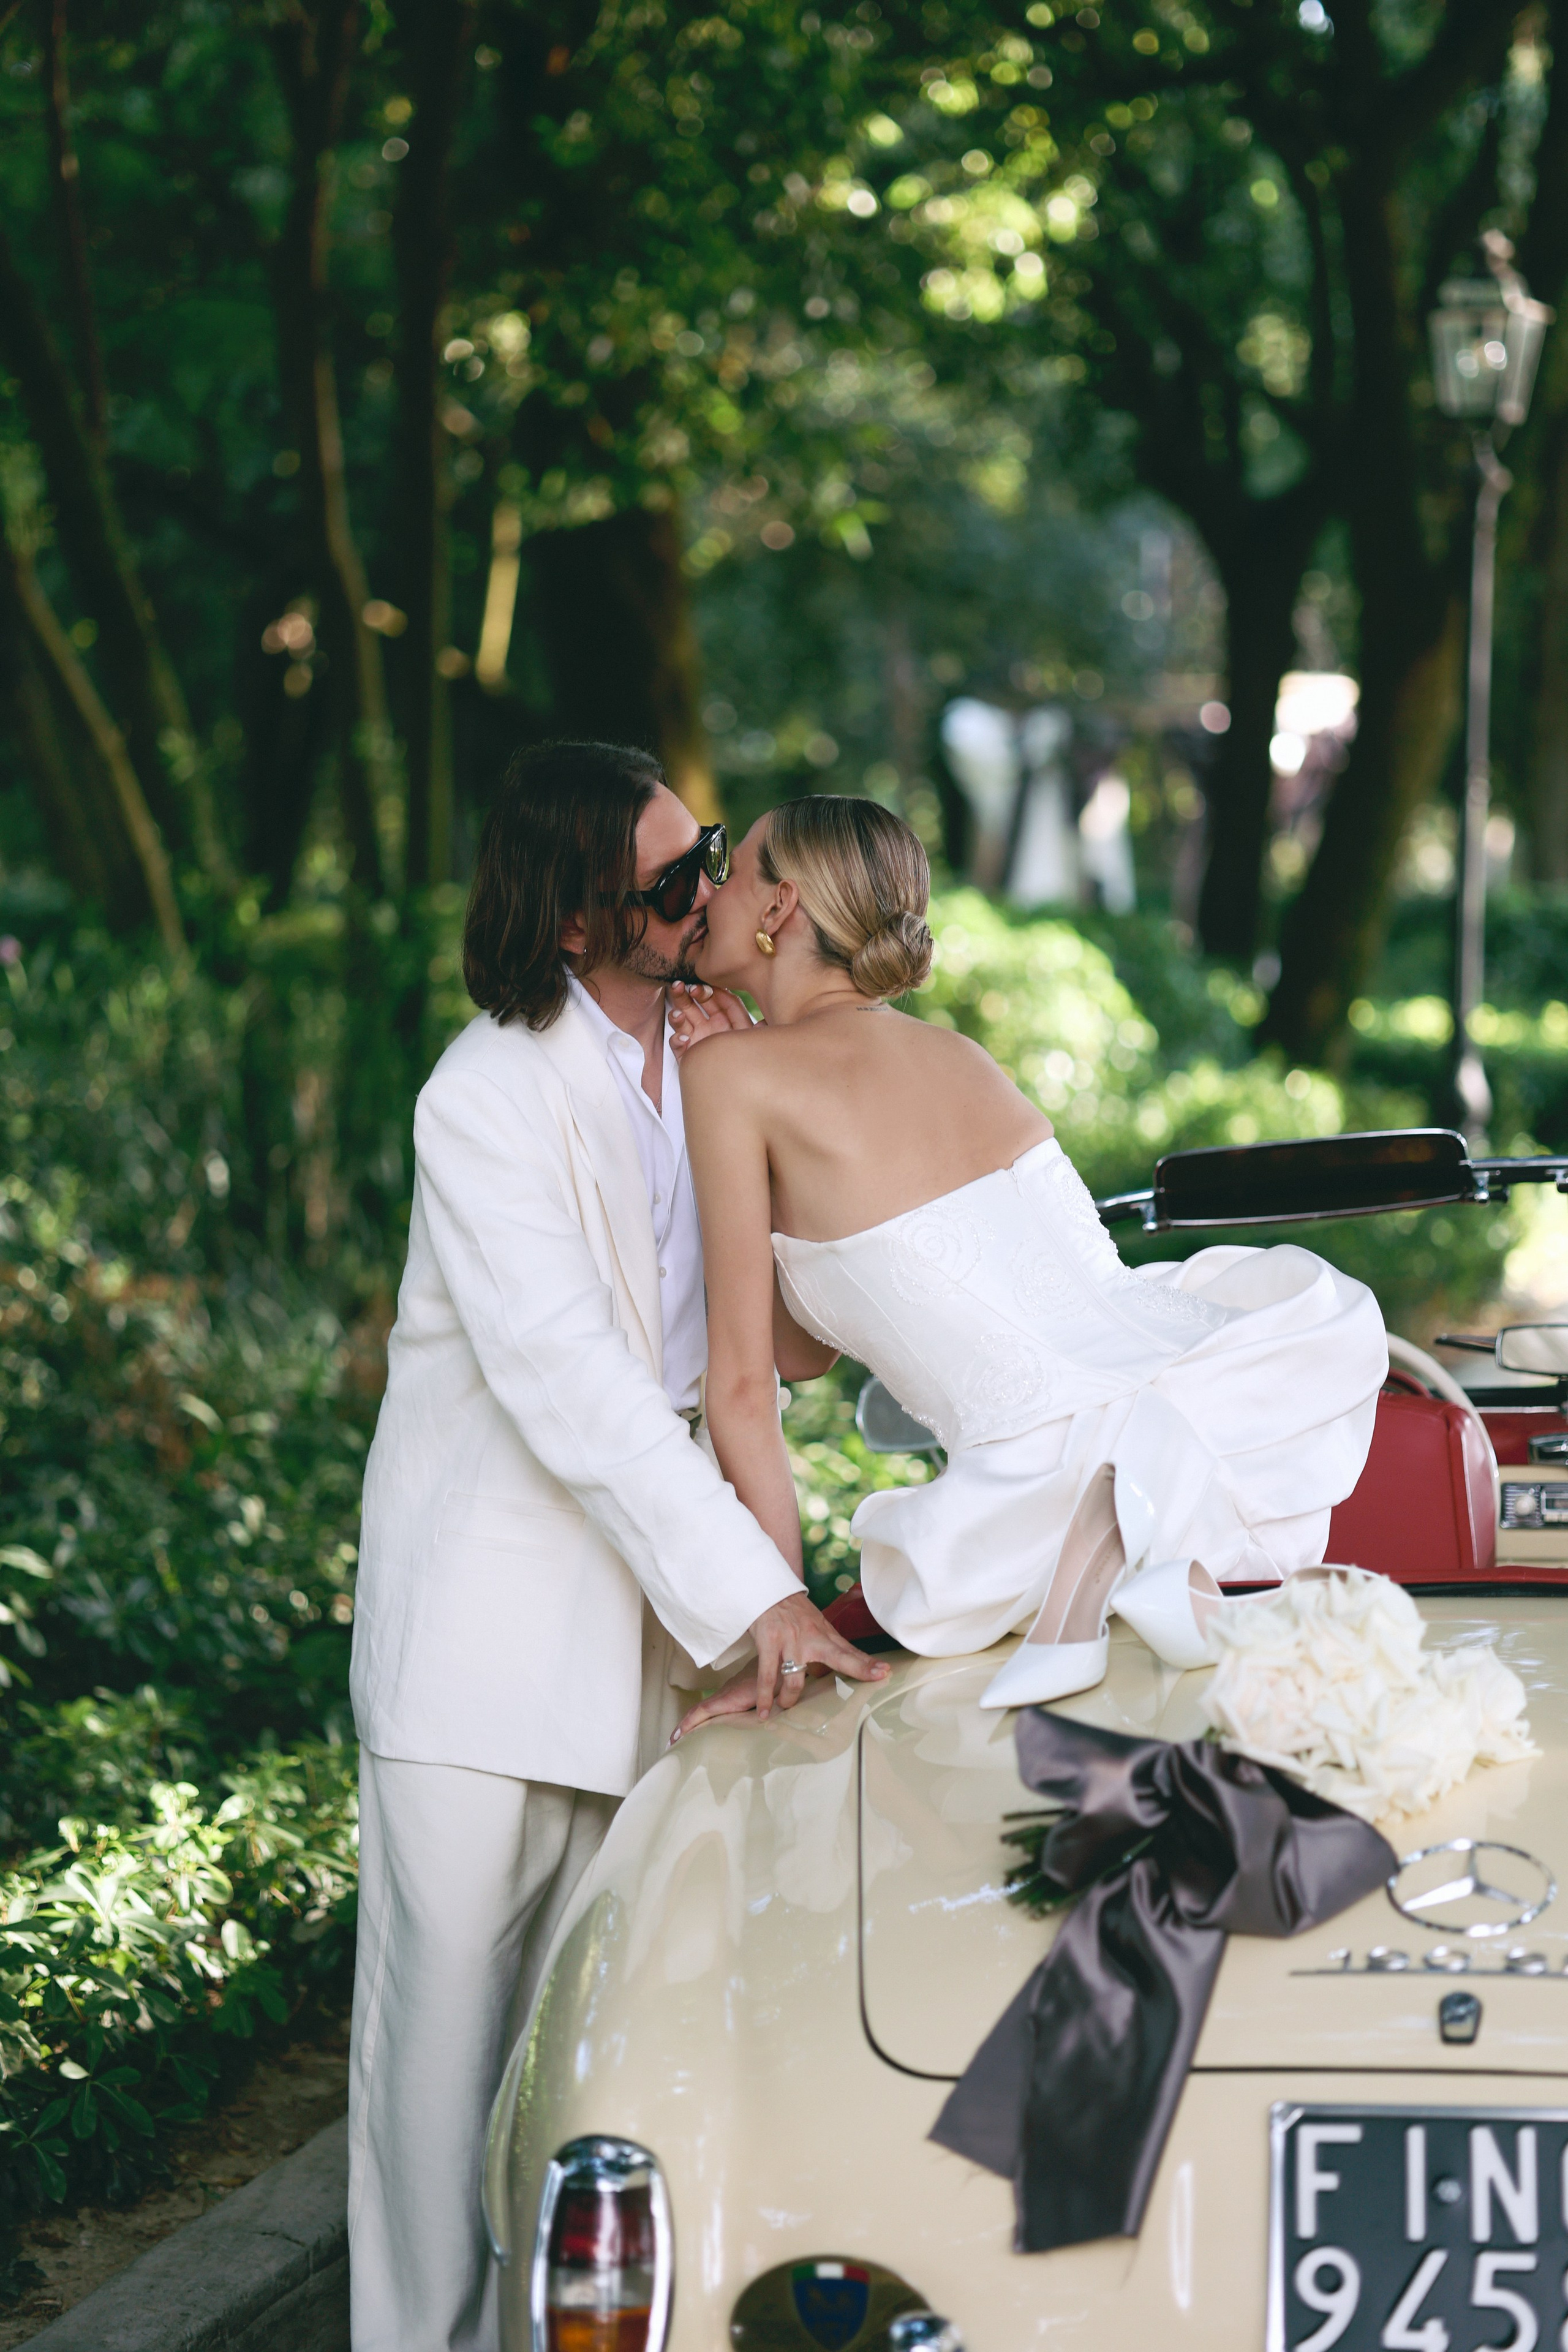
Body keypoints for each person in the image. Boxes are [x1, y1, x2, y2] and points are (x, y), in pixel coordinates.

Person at [347, 743, 884, 2352]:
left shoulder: (709, 1060)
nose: (707, 891)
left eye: (703, 851)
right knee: (435, 2096)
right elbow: (576, 1388)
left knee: (586, 2083)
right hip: (482, 1659)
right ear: (576, 919)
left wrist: (767, 1089)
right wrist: (762, 1598)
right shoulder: (482, 1098)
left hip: (647, 1652)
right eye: (668, 881)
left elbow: (773, 1351)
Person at [666, 794, 1387, 1730]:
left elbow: (743, 1387)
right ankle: (1137, 1525)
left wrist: (786, 1617)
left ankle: (1115, 1522)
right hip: (1210, 1404)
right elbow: (802, 1350)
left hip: (1034, 1499)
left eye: (730, 873)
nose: (706, 893)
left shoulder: (730, 1076)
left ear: (779, 907)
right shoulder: (960, 1057)